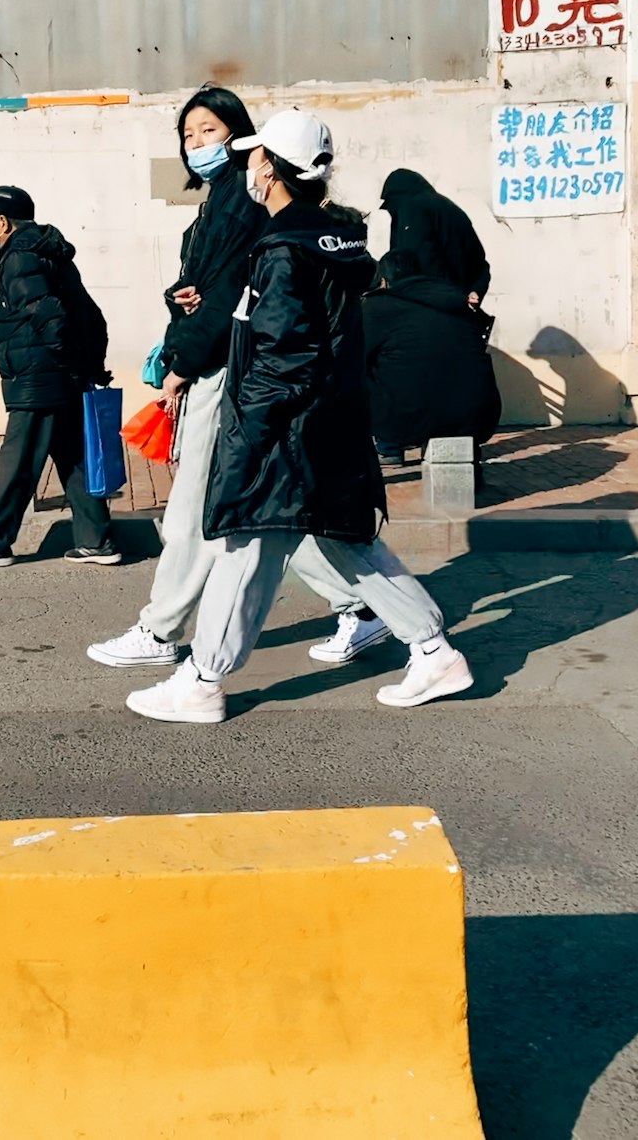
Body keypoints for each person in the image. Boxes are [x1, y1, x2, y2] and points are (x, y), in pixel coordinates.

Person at [125, 111, 474, 724]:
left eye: (256, 158)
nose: (248, 167)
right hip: (331, 423)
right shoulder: (335, 239)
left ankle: (202, 680)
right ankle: (432, 650)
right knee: (344, 542)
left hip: (286, 431)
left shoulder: (283, 250)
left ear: (273, 168)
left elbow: (282, 358)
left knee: (245, 546)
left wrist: (248, 440)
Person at [86, 85, 266, 664]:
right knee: (273, 513)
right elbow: (209, 290)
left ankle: (160, 632)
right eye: (188, 136)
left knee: (190, 507)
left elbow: (229, 298)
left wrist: (180, 367)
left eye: (208, 131)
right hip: (224, 359)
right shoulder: (220, 198)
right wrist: (179, 297)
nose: (197, 144)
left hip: (223, 367)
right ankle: (364, 608)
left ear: (237, 132)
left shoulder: (239, 199)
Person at [0, 185, 119, 569]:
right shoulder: (50, 253)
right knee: (75, 459)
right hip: (64, 377)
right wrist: (86, 366)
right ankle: (96, 542)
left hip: (38, 379)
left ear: (3, 222)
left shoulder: (19, 256)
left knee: (18, 462)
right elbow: (91, 315)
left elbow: (47, 314)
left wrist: (60, 361)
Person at [363, 249, 502, 458]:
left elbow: (355, 356)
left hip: (404, 419)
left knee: (362, 369)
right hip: (478, 415)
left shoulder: (378, 306)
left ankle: (389, 447)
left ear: (385, 278)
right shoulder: (460, 304)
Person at [380, 169, 491, 305]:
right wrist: (475, 290)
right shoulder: (446, 206)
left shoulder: (413, 207)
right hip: (461, 300)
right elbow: (478, 259)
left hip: (433, 302)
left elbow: (414, 260)